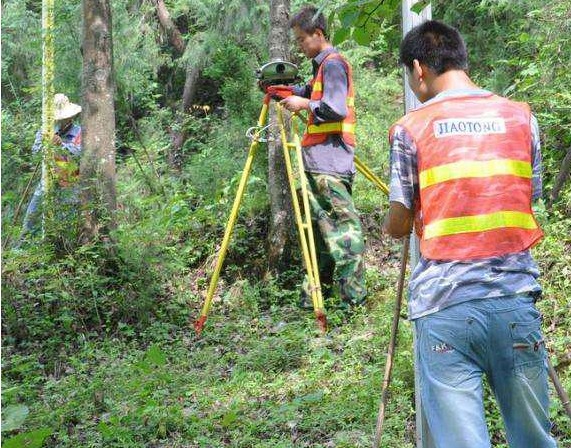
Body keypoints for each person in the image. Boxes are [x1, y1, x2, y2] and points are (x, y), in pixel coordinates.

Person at [383, 20, 557, 448]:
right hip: (514, 301)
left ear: (418, 69)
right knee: (534, 440)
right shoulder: (521, 118)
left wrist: (399, 218)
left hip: (445, 309)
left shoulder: (411, 128)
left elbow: (400, 223)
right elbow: (525, 199)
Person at [279, 5, 366, 309]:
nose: (300, 46)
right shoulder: (322, 67)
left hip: (330, 162)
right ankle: (317, 300)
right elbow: (310, 93)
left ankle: (350, 303)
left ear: (318, 34)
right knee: (321, 235)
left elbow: (335, 107)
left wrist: (303, 103)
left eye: (302, 40)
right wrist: (285, 92)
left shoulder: (332, 64)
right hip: (322, 162)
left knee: (344, 234)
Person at [20, 93, 82, 238]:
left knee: (65, 220)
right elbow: (35, 152)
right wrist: (47, 145)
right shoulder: (45, 130)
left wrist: (62, 145)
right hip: (47, 179)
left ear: (71, 117)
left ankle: (61, 251)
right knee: (32, 215)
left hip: (70, 183)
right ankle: (20, 248)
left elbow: (80, 153)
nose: (60, 121)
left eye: (64, 118)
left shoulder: (79, 132)